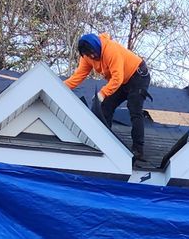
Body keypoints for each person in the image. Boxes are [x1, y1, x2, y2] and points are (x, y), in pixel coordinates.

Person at [65, 32, 151, 160]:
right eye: (89, 55)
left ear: (97, 46)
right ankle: (106, 142)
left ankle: (138, 149)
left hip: (137, 76)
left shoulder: (110, 50)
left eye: (93, 52)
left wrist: (102, 93)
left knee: (134, 109)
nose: (92, 56)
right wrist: (59, 86)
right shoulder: (87, 57)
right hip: (121, 81)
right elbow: (78, 76)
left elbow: (118, 77)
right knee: (105, 106)